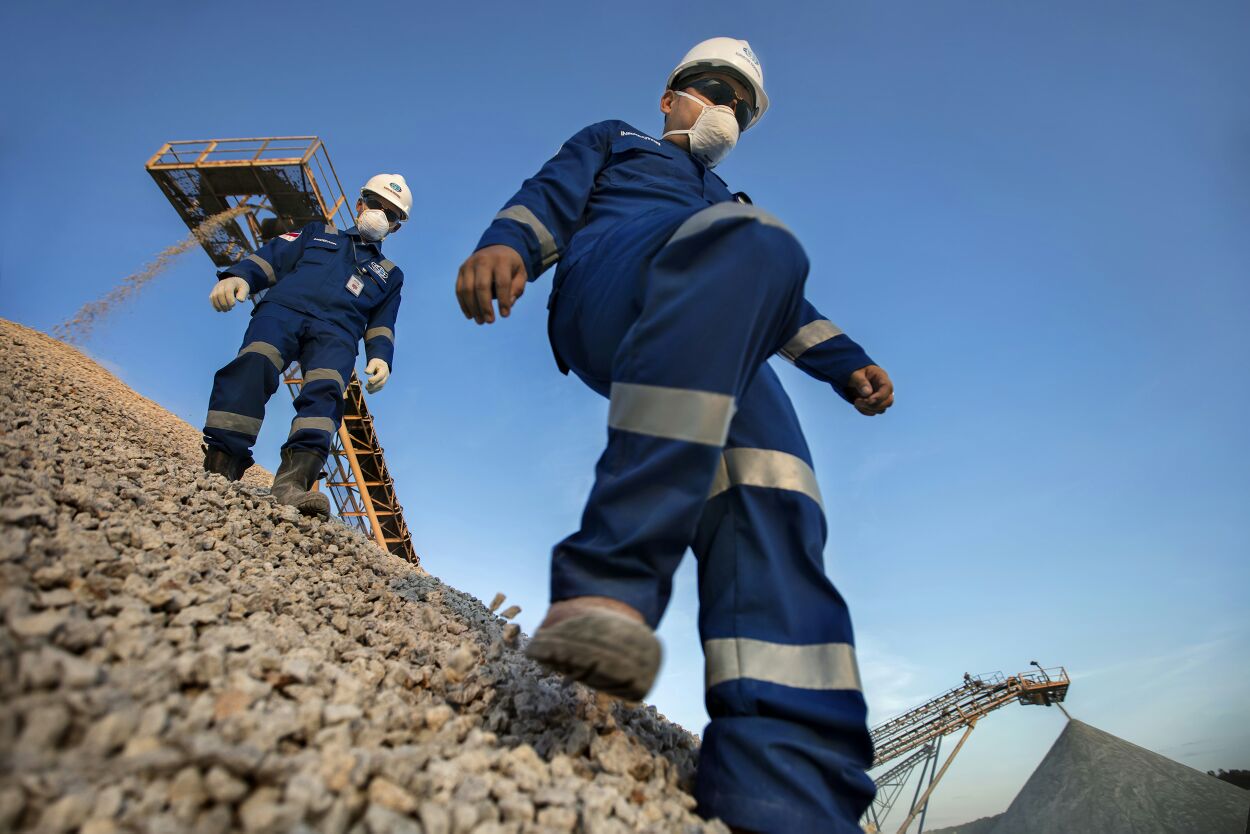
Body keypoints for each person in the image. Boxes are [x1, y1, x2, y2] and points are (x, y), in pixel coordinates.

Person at [456, 38, 893, 833]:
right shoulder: (617, 141)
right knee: (753, 241)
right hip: (614, 287)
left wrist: (848, 363)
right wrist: (509, 244)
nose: (726, 109)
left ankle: (789, 789)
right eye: (713, 90)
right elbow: (551, 196)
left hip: (719, 322)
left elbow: (783, 305)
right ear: (670, 96)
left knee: (776, 490)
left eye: (742, 105)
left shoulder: (730, 199)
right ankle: (611, 581)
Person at [201, 175, 410, 516]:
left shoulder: (389, 274)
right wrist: (239, 275)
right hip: (283, 311)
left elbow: (382, 323)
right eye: (375, 204)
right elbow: (275, 255)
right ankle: (222, 462)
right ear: (360, 204)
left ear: (395, 228)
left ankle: (293, 484)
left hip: (338, 333)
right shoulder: (318, 233)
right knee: (253, 364)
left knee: (325, 393)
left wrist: (382, 358)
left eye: (391, 214)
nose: (380, 215)